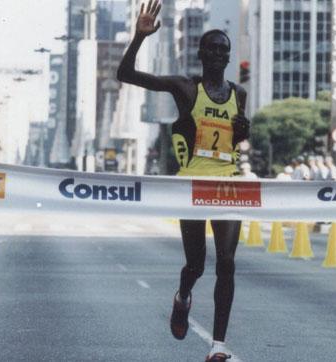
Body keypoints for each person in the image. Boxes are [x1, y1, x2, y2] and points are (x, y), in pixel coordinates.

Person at [116, 2, 250, 360]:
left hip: (228, 183)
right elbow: (125, 74)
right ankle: (183, 297)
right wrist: (139, 37)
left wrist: (243, 131)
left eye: (225, 50)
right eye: (213, 48)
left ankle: (217, 345)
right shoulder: (185, 88)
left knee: (227, 261)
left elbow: (236, 139)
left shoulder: (239, 95)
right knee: (197, 264)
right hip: (191, 184)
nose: (220, 54)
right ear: (201, 53)